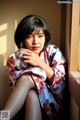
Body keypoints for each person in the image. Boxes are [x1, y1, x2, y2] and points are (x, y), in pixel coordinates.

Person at [1, 15, 66, 120]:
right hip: (25, 106)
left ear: (46, 37)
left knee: (26, 78)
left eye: (40, 36)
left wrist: (40, 63)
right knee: (31, 94)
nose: (36, 41)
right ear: (22, 39)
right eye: (29, 36)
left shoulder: (54, 52)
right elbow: (18, 90)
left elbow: (61, 86)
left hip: (51, 105)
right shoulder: (14, 59)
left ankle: (3, 117)